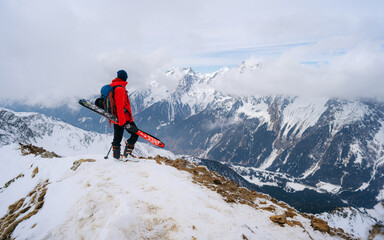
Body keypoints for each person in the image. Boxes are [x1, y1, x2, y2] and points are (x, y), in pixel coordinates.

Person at [109, 70, 139, 160]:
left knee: (118, 136)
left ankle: (116, 157)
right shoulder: (120, 89)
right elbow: (120, 106)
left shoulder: (114, 86)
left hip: (116, 117)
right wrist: (122, 121)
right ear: (124, 77)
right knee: (135, 134)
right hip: (123, 118)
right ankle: (127, 155)